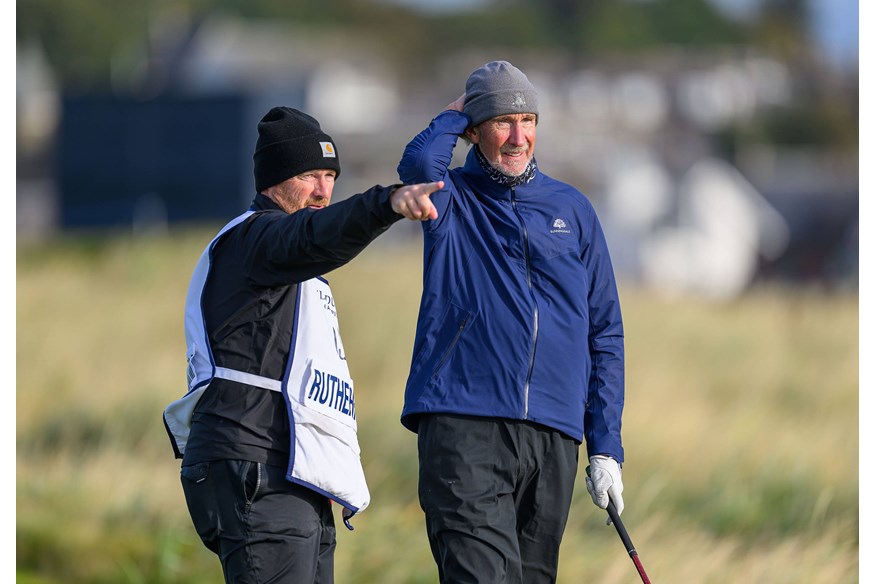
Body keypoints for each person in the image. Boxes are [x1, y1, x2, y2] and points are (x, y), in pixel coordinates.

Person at [163, 106, 441, 584]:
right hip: (258, 465)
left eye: (330, 176)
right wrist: (386, 203)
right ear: (273, 180)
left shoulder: (284, 257)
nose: (323, 191)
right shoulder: (258, 238)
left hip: (293, 470)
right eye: (309, 175)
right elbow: (315, 235)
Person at [397, 61, 626, 583]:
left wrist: (606, 446)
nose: (518, 136)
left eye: (528, 119)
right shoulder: (451, 197)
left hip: (553, 435)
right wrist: (457, 112)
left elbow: (604, 334)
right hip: (464, 422)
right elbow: (417, 162)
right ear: (475, 131)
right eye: (502, 121)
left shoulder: (573, 208)